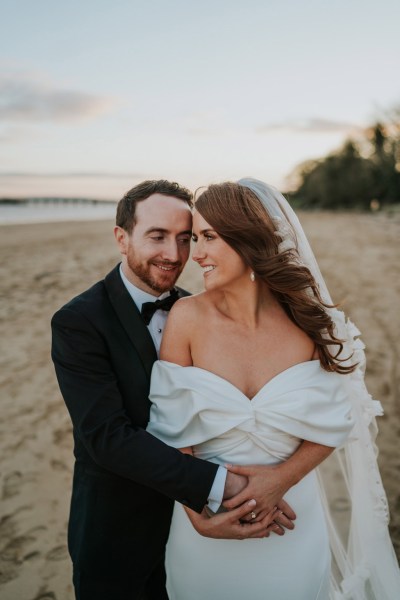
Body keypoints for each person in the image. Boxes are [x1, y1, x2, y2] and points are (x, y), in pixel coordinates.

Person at [147, 178, 400, 600]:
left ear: (251, 240)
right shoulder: (186, 317)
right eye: (195, 238)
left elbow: (336, 422)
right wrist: (197, 515)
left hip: (290, 520)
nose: (197, 254)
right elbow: (173, 431)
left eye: (209, 237)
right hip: (204, 528)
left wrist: (280, 480)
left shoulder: (308, 322)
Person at [51, 179, 302, 600]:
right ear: (121, 237)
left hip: (204, 535)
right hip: (120, 528)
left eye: (185, 239)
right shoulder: (78, 321)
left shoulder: (196, 310)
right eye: (157, 236)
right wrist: (220, 488)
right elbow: (106, 437)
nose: (174, 254)